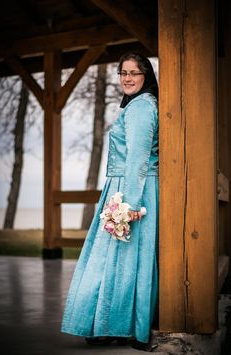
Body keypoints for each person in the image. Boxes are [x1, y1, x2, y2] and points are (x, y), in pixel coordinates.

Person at [61, 52, 159, 352]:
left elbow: (138, 159)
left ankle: (121, 325)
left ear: (146, 76)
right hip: (123, 187)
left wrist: (128, 205)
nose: (127, 78)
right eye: (123, 72)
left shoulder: (142, 107)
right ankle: (114, 324)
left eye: (134, 72)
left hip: (132, 190)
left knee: (125, 259)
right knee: (119, 259)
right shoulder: (136, 106)